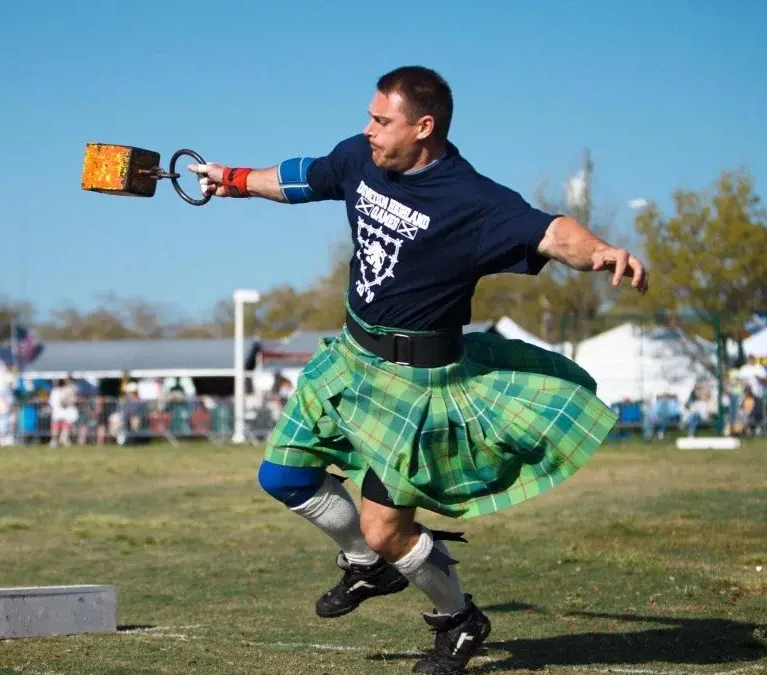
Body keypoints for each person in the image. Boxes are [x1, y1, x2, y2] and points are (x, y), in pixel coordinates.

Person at [188, 66, 648, 675]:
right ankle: (366, 564)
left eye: (382, 120)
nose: (368, 130)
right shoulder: (361, 159)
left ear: (423, 127)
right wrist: (235, 180)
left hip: (417, 387)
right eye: (370, 117)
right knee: (282, 477)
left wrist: (602, 253)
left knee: (385, 527)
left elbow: (551, 232)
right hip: (350, 360)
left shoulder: (474, 203)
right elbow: (301, 178)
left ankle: (459, 620)